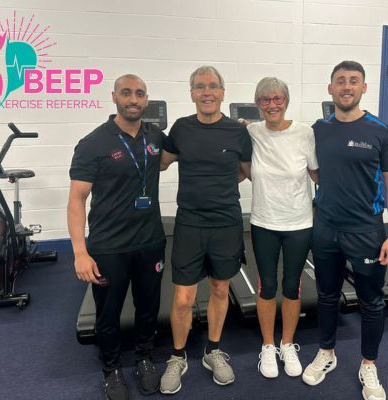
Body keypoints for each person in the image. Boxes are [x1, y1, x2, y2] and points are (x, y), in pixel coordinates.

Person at [301, 61, 388, 400]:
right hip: (326, 227)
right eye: (340, 81)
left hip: (366, 230)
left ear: (364, 88)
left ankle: (368, 363)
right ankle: (326, 353)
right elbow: (313, 169)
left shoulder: (381, 129)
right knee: (327, 296)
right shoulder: (318, 129)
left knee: (371, 301)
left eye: (354, 81)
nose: (347, 86)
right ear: (330, 89)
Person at [67, 74, 166, 400]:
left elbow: (181, 154)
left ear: (146, 98)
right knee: (108, 314)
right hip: (108, 246)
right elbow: (77, 199)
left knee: (148, 306)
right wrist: (80, 252)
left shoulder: (155, 137)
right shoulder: (93, 143)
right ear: (114, 97)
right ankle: (111, 370)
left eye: (139, 93)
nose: (134, 99)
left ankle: (144, 358)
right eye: (127, 93)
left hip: (150, 242)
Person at [158, 65, 252, 394]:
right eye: (200, 87)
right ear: (192, 94)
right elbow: (161, 162)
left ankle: (213, 350)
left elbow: (247, 171)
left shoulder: (237, 132)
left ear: (223, 92)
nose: (207, 92)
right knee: (183, 298)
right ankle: (178, 356)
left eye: (213, 86)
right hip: (190, 222)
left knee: (220, 289)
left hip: (226, 221)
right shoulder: (181, 128)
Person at [242, 77, 318, 379]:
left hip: (299, 222)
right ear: (258, 103)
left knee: (292, 284)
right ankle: (268, 345)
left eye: (277, 99)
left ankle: (287, 343)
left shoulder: (305, 133)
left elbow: (316, 174)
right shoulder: (251, 132)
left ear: (285, 101)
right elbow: (245, 169)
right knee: (267, 285)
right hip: (264, 222)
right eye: (265, 100)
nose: (272, 105)